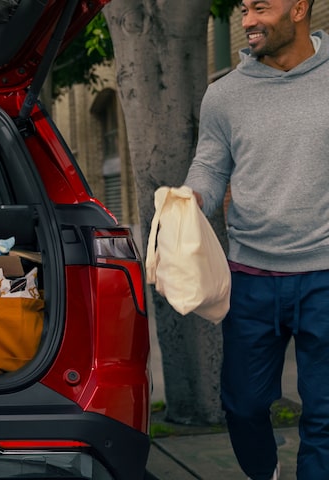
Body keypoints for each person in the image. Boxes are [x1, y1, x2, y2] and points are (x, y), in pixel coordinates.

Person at [183, 1, 329, 479]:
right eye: (244, 9)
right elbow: (209, 169)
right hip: (251, 277)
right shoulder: (224, 95)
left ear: (301, 8)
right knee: (243, 406)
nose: (246, 21)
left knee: (325, 416)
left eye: (260, 8)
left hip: (325, 276)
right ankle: (264, 472)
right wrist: (187, 203)